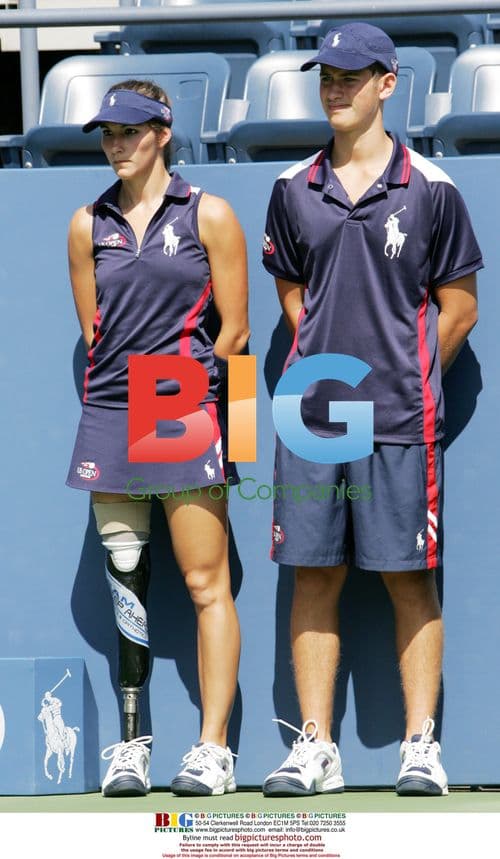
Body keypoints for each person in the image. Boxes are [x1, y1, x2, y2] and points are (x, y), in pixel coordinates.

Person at [261, 22, 481, 797]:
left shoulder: (433, 189)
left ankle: (420, 745)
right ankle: (316, 747)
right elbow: (292, 291)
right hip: (315, 416)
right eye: (326, 76)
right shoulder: (291, 187)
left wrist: (407, 378)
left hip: (400, 418)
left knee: (408, 577)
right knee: (313, 574)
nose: (335, 89)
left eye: (351, 77)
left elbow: (460, 309)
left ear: (388, 84)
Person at [66, 79, 249, 797]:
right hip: (113, 411)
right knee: (125, 584)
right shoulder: (87, 224)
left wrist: (235, 437)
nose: (117, 144)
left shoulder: (212, 213)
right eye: (107, 133)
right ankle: (132, 744)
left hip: (183, 409)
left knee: (206, 583)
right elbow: (96, 334)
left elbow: (235, 335)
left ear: (163, 133)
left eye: (130, 131)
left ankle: (213, 750)